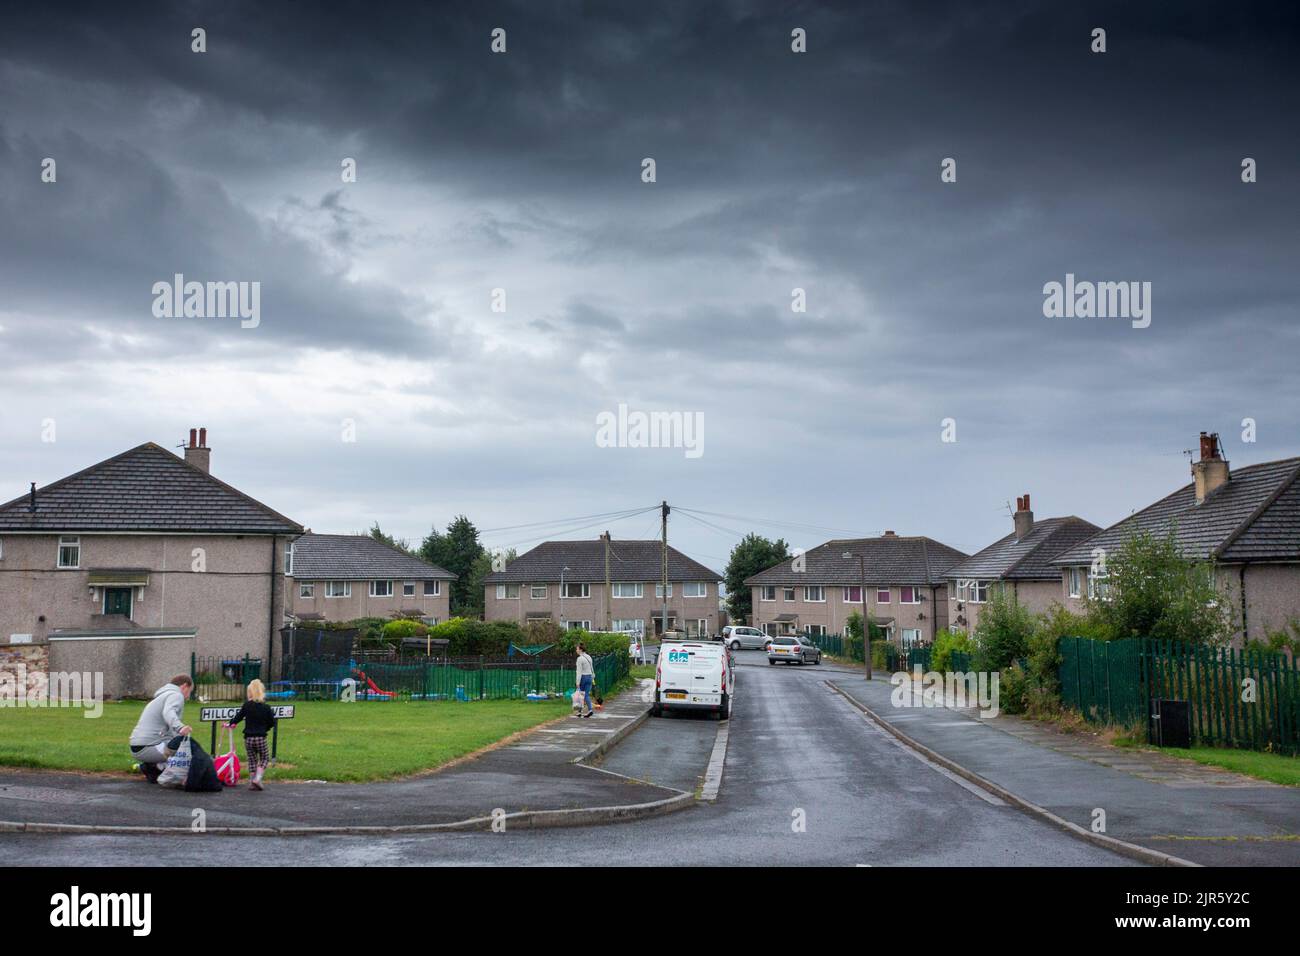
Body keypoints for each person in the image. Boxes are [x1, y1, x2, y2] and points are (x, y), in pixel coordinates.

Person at [129, 675, 194, 783]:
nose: (188, 696)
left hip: (137, 746)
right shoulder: (176, 695)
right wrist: (180, 727)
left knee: (176, 743)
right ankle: (155, 767)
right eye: (190, 691)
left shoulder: (161, 696)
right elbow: (168, 712)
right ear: (184, 686)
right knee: (188, 749)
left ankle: (151, 767)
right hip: (149, 747)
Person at [224, 679, 278, 790]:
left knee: (252, 760)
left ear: (250, 692)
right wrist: (265, 728)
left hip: (248, 738)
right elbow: (272, 723)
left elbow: (238, 717)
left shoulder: (247, 705)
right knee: (264, 758)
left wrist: (230, 723)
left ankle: (252, 781)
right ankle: (257, 778)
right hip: (260, 737)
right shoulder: (266, 707)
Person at [575, 642, 595, 718]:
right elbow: (592, 667)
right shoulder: (589, 657)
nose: (576, 650)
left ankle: (579, 712)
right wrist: (593, 677)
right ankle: (589, 710)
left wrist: (577, 682)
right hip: (590, 676)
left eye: (577, 649)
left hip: (583, 677)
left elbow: (579, 671)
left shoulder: (579, 659)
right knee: (586, 694)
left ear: (580, 650)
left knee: (580, 694)